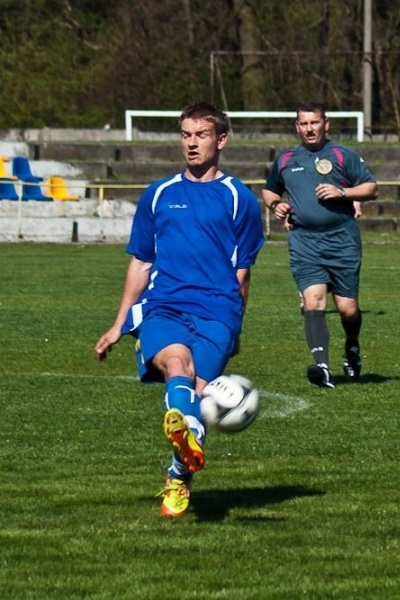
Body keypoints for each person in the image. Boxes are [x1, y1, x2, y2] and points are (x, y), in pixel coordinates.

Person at [94, 102, 265, 518]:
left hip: (217, 310)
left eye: (201, 135)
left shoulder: (239, 199)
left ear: (220, 140)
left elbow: (242, 273)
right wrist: (119, 324)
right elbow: (141, 262)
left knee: (200, 394)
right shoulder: (158, 194)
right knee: (177, 365)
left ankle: (178, 476)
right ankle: (186, 439)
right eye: (186, 134)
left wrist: (235, 328)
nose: (191, 143)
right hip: (164, 305)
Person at [262, 102, 378, 389]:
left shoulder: (342, 155)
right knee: (313, 300)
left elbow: (371, 188)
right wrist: (276, 204)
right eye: (303, 123)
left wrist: (343, 191)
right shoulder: (286, 159)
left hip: (341, 239)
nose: (309, 128)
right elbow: (269, 189)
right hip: (304, 240)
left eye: (314, 122)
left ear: (326, 124)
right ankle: (322, 366)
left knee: (348, 309)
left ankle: (352, 345)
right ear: (296, 126)